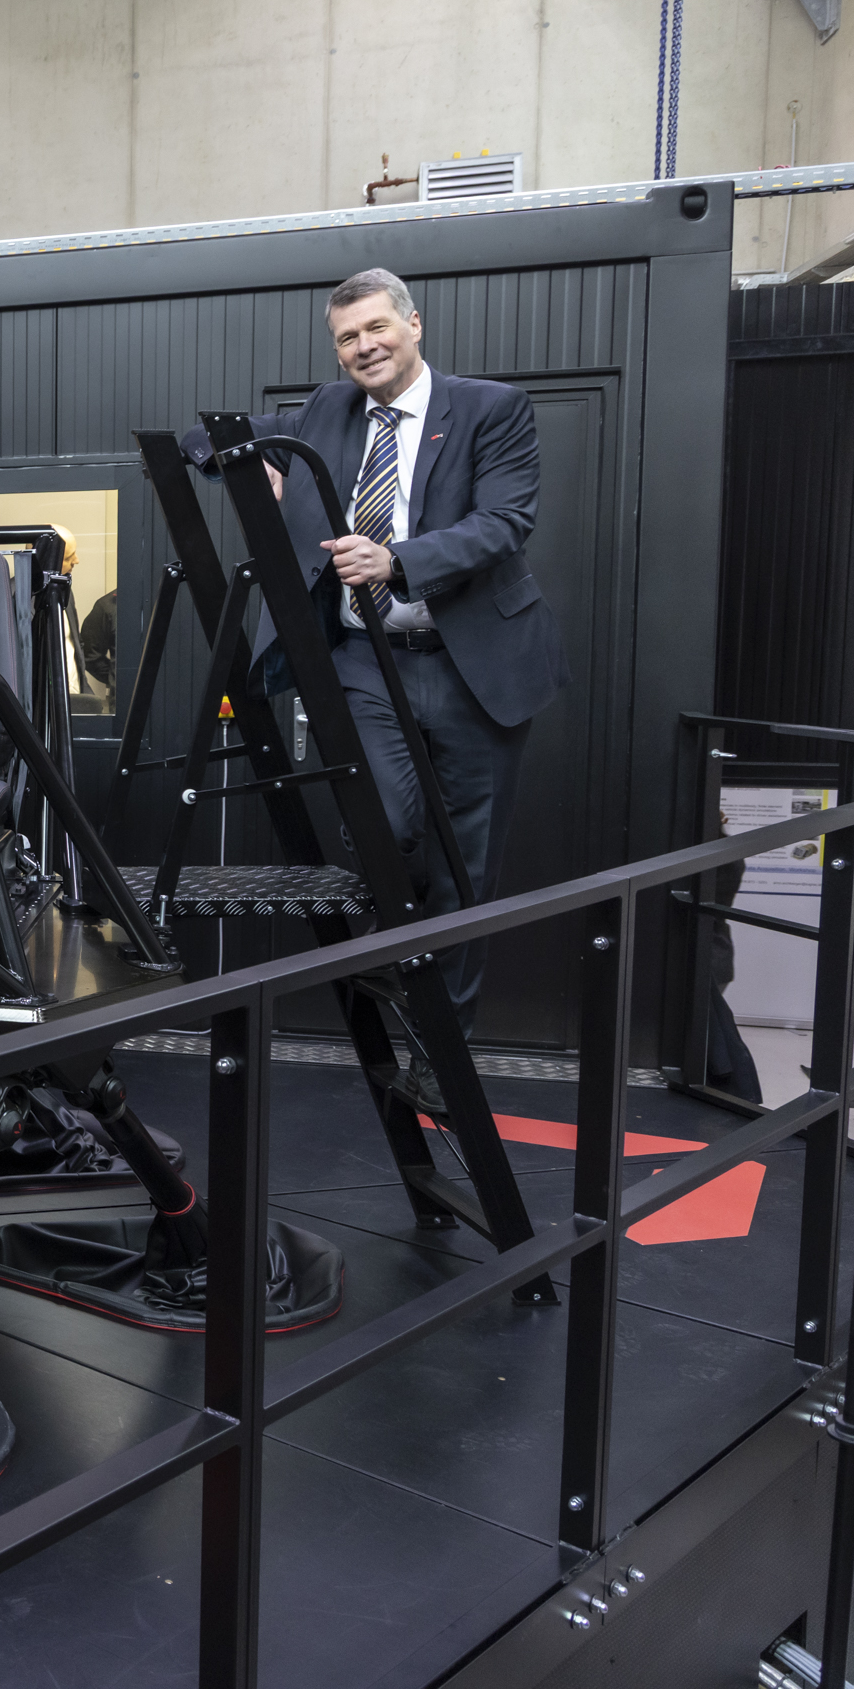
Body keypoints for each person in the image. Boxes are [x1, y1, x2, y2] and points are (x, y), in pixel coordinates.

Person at [187, 268, 569, 1108]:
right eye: (346, 338)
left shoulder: (488, 409)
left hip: (476, 669)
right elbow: (208, 437)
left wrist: (399, 561)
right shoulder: (326, 410)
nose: (362, 348)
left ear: (412, 325)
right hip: (367, 663)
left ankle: (440, 1047)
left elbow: (504, 523)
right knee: (386, 823)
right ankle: (394, 953)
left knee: (464, 871)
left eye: (373, 330)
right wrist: (247, 472)